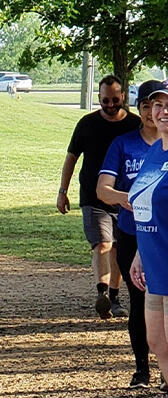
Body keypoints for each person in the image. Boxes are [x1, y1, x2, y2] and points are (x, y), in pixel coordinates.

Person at [97, 80, 164, 388]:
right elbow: (103, 190)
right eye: (148, 106)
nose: (155, 113)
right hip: (134, 236)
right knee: (142, 307)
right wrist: (131, 199)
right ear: (139, 110)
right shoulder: (128, 145)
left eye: (161, 106)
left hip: (162, 241)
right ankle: (143, 370)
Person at [58, 75, 141, 319]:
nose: (111, 105)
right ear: (99, 99)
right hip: (93, 197)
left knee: (117, 248)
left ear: (123, 97)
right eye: (105, 100)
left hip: (126, 198)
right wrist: (63, 192)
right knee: (103, 244)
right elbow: (71, 158)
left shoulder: (134, 125)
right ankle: (102, 293)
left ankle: (114, 297)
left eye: (115, 99)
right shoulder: (87, 124)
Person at [128, 80, 168, 398]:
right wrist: (140, 252)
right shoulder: (155, 152)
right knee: (157, 341)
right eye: (158, 105)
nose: (164, 111)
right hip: (154, 263)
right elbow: (146, 208)